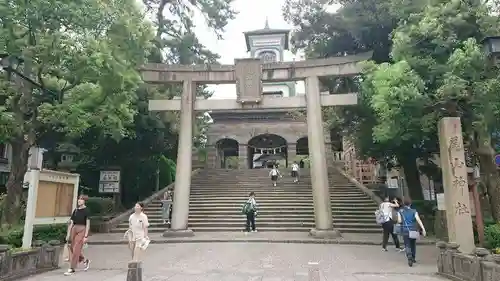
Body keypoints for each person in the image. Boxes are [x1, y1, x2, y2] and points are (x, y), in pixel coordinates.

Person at [64, 195, 91, 276]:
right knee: (72, 247)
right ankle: (85, 260)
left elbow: (88, 223)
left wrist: (86, 236)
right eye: (79, 199)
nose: (79, 200)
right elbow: (71, 222)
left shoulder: (87, 210)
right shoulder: (75, 210)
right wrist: (68, 234)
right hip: (74, 229)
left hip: (82, 229)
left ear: (84, 201)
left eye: (81, 199)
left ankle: (72, 268)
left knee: (76, 247)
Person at [398, 197, 427, 267]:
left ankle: (409, 256)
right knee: (413, 244)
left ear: (404, 203)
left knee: (407, 244)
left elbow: (399, 221)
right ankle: (413, 258)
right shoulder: (414, 211)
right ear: (410, 203)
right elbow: (418, 220)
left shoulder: (400, 211)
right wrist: (423, 229)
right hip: (413, 230)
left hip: (405, 230)